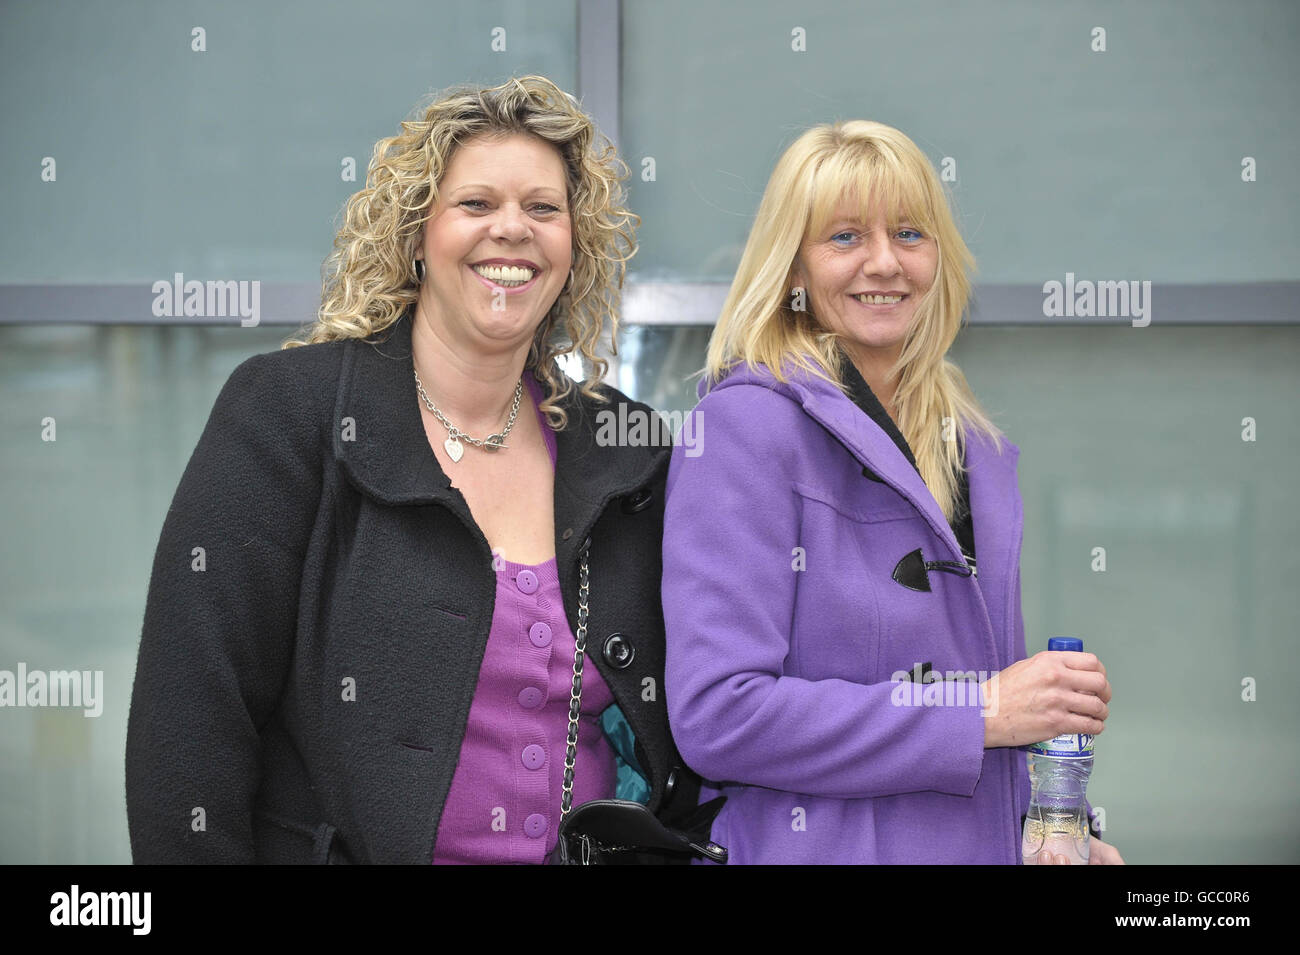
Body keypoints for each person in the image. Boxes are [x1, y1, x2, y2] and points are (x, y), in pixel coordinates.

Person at [125, 75, 719, 864]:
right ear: (415, 233)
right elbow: (191, 718)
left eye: (543, 209)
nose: (513, 230)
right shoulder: (289, 414)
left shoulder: (628, 444)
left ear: (575, 247)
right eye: (476, 204)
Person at [661, 120, 1124, 864]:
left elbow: (988, 703)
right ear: (793, 270)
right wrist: (982, 710)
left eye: (910, 233)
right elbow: (720, 715)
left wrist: (1057, 829)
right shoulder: (740, 429)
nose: (885, 261)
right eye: (844, 237)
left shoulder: (970, 440)